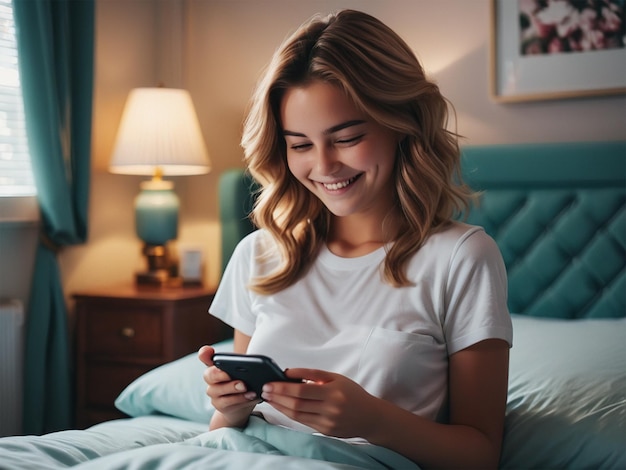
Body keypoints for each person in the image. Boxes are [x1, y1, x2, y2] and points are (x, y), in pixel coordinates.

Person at [198, 9, 512, 469]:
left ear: (402, 123)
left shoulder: (461, 258)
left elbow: (480, 456)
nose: (323, 167)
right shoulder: (260, 254)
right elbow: (224, 433)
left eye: (346, 138)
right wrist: (230, 408)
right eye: (300, 144)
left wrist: (373, 420)